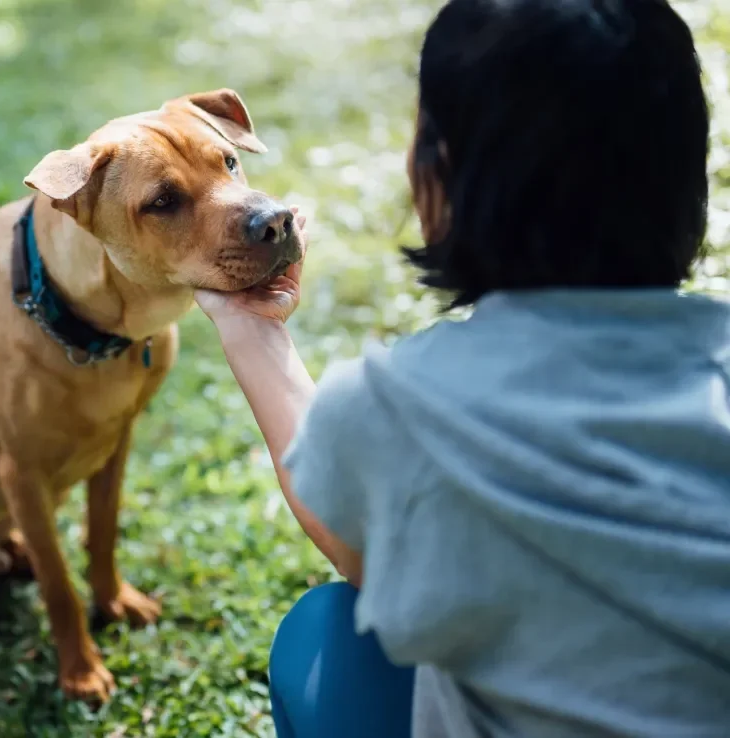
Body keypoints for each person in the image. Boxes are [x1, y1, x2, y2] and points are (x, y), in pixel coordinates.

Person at [195, 1, 730, 736]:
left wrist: (247, 327)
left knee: (328, 638)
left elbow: (352, 542)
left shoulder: (400, 408)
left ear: (436, 177)